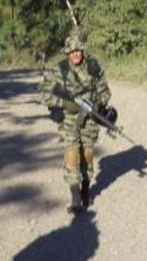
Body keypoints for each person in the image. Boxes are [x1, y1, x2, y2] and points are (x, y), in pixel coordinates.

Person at [40, 33, 112, 214]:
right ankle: (75, 196)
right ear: (67, 53)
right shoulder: (59, 70)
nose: (75, 54)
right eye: (72, 52)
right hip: (68, 120)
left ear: (82, 51)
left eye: (78, 51)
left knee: (87, 153)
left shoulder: (93, 67)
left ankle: (86, 187)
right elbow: (44, 94)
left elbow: (105, 91)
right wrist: (64, 103)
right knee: (72, 153)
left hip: (90, 118)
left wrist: (99, 103)